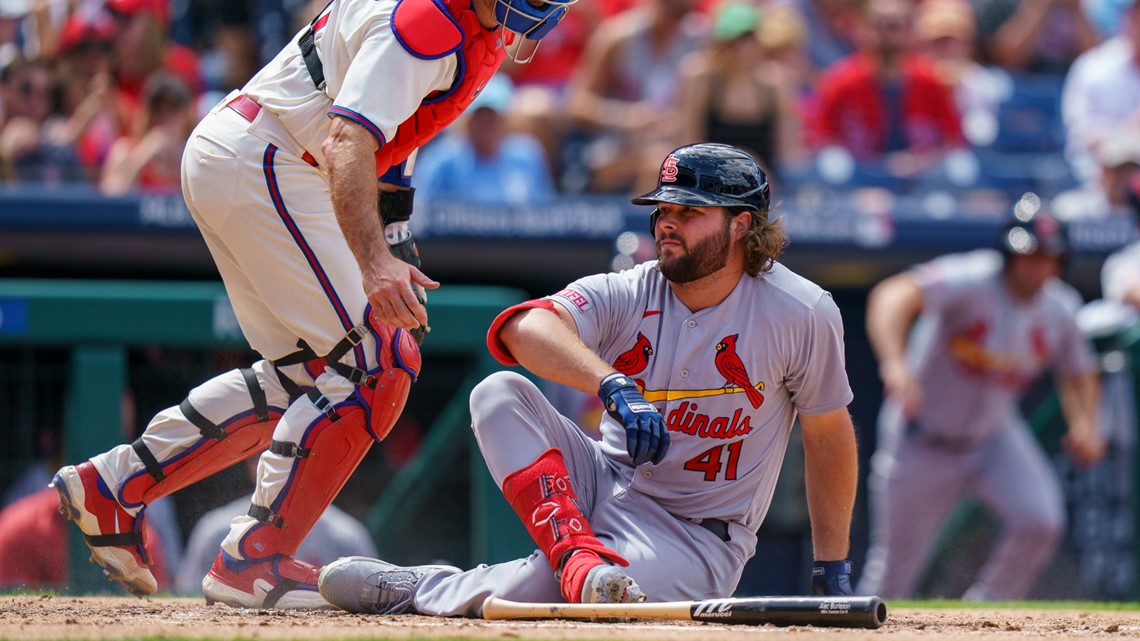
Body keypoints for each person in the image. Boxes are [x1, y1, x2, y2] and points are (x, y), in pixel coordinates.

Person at [49, 0, 575, 611]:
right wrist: (376, 263)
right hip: (276, 158)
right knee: (378, 360)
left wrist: (394, 235)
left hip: (257, 153)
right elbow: (348, 139)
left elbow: (396, 132)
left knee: (313, 376)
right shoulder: (427, 22)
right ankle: (255, 559)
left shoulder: (468, 24)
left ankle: (114, 485)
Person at [316, 142, 861, 615]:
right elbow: (524, 329)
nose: (667, 222)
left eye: (689, 211)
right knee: (498, 392)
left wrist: (831, 565)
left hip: (694, 534)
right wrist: (611, 383)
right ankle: (575, 554)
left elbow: (828, 435)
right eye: (662, 208)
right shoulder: (636, 288)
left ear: (741, 224)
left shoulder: (801, 310)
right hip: (600, 480)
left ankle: (424, 587)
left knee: (602, 593)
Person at [857, 200, 1107, 600]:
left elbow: (1079, 370)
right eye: (1027, 255)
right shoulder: (972, 279)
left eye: (1047, 257)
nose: (1036, 266)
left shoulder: (1060, 307)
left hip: (994, 438)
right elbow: (893, 294)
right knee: (894, 571)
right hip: (922, 439)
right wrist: (895, 363)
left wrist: (1085, 423)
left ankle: (985, 613)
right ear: (1008, 253)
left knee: (1041, 521)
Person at [812, 0, 963, 170]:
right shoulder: (839, 83)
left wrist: (920, 163)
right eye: (877, 26)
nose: (884, 35)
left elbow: (954, 144)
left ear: (909, 31)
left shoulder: (932, 82)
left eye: (893, 26)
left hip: (922, 185)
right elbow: (821, 141)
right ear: (861, 29)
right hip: (858, 185)